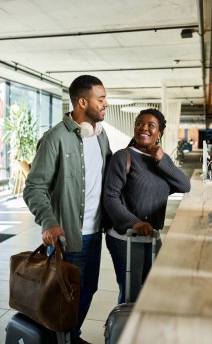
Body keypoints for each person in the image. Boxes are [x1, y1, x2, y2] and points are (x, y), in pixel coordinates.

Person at [23, 75, 111, 344]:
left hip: (96, 232)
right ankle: (61, 339)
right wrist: (49, 222)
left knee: (88, 290)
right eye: (101, 99)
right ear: (83, 101)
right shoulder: (54, 139)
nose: (106, 103)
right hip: (69, 237)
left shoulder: (100, 135)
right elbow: (34, 187)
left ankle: (70, 336)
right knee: (66, 296)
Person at [103, 108, 191, 304]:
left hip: (151, 238)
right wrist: (135, 223)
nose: (143, 128)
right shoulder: (123, 157)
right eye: (139, 123)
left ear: (159, 134)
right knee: (131, 295)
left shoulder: (160, 161)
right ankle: (122, 333)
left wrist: (162, 159)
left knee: (152, 292)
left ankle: (142, 333)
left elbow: (185, 185)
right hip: (125, 237)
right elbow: (110, 198)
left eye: (151, 125)